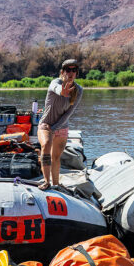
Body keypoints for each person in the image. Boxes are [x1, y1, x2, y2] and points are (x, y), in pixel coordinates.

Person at [38, 59, 84, 188]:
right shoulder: (55, 83)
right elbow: (57, 88)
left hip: (61, 126)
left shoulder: (79, 90)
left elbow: (68, 113)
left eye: (74, 70)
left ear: (76, 73)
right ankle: (47, 181)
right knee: (46, 145)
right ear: (62, 72)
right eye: (68, 70)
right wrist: (62, 92)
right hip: (45, 124)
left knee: (56, 158)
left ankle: (56, 184)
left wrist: (55, 128)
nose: (71, 73)